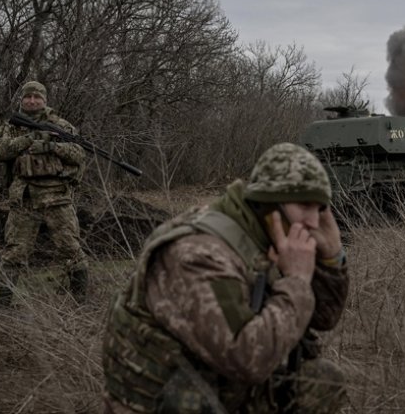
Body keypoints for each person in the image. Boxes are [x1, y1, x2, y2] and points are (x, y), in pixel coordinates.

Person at [102, 143, 349, 413]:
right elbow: (247, 360)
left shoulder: (266, 235)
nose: (314, 221)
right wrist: (297, 281)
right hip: (165, 403)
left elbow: (323, 317)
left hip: (216, 388)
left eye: (320, 208)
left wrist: (331, 257)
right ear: (268, 203)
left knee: (320, 379)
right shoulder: (199, 254)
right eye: (304, 205)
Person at [0, 81, 88, 307]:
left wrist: (51, 146)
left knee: (70, 247)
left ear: (45, 100)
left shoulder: (60, 125)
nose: (32, 101)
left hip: (57, 196)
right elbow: (0, 151)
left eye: (37, 97)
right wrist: (28, 140)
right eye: (28, 97)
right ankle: (3, 304)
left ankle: (80, 300)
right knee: (15, 251)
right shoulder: (11, 126)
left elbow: (79, 155)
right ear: (22, 100)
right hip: (24, 197)